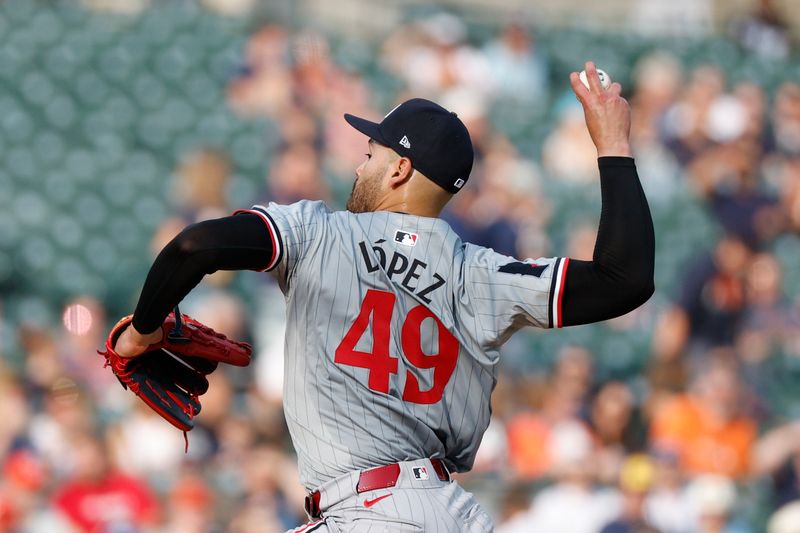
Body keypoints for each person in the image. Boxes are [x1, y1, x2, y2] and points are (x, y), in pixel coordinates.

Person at [111, 61, 655, 532]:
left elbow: (194, 245)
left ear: (399, 168)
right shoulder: (484, 273)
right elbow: (624, 280)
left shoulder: (317, 233)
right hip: (450, 511)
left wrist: (144, 330)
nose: (358, 164)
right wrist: (613, 145)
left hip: (365, 509)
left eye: (370, 152)